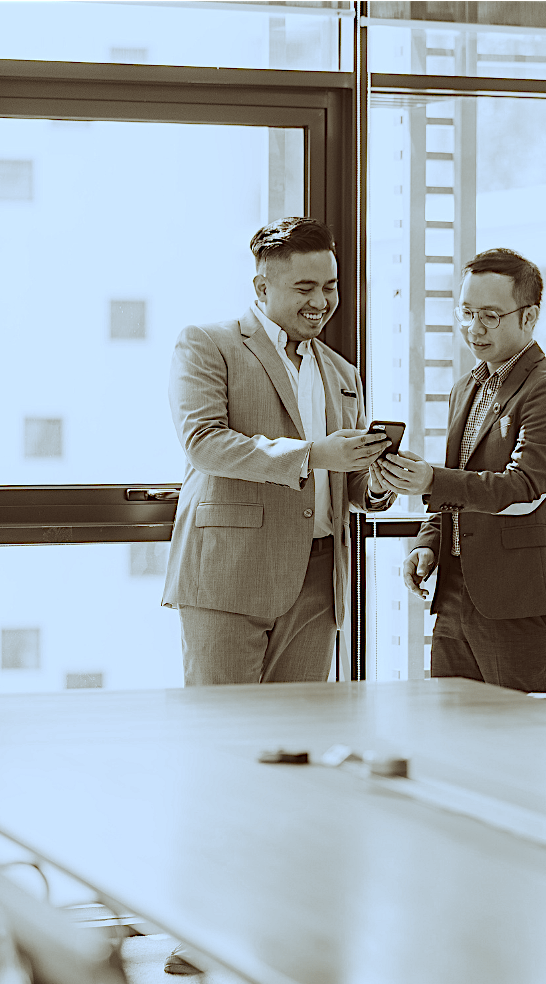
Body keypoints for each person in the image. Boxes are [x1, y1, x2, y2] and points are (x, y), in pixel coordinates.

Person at [161, 217, 393, 688]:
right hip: (230, 572)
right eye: (305, 288)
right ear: (262, 287)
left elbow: (346, 483)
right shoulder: (207, 344)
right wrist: (313, 455)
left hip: (320, 579)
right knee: (224, 724)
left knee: (299, 726)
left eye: (330, 287)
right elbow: (204, 443)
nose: (320, 302)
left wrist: (376, 482)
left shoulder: (343, 373)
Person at [377, 248, 546, 692]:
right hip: (455, 594)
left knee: (520, 730)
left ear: (529, 317)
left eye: (490, 315)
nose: (474, 328)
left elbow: (525, 487)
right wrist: (428, 543)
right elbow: (459, 481)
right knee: (451, 727)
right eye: (466, 313)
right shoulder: (466, 387)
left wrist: (431, 479)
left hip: (520, 601)